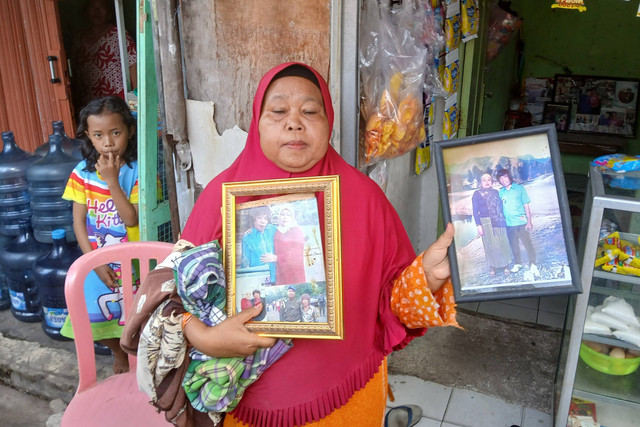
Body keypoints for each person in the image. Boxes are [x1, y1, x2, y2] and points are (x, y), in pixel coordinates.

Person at [169, 62, 457, 426]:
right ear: (257, 121)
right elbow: (170, 298)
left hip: (349, 399)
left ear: (328, 121)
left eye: (309, 111)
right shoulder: (220, 198)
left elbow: (393, 303)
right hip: (249, 403)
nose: (294, 122)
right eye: (278, 111)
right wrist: (205, 337)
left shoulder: (364, 198)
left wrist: (426, 279)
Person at [61, 96, 139, 374]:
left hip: (134, 261)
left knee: (133, 311)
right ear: (88, 137)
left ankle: (136, 355)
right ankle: (117, 351)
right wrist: (93, 261)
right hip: (97, 260)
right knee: (94, 314)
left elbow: (132, 219)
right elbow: (78, 222)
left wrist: (111, 180)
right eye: (98, 135)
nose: (108, 142)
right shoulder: (81, 174)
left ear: (130, 130)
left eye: (115, 132)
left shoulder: (138, 171)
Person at [70, 0, 137, 111]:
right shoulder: (79, 38)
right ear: (86, 12)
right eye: (92, 7)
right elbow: (74, 71)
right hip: (89, 100)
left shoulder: (118, 33)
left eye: (102, 7)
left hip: (116, 99)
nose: (97, 11)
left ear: (109, 14)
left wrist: (135, 99)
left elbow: (133, 64)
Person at [496, 169, 539, 276]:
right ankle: (518, 263)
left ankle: (533, 263)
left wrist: (529, 222)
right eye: (501, 179)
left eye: (505, 177)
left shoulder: (520, 189)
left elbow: (526, 205)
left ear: (509, 177)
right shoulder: (501, 192)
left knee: (527, 243)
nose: (503, 180)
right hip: (509, 224)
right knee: (514, 245)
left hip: (521, 223)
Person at [471, 173, 512, 277]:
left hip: (498, 220)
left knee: (502, 242)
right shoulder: (477, 194)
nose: (487, 182)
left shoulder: (496, 192)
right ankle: (492, 267)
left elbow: (502, 207)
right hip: (485, 222)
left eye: (489, 180)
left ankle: (505, 264)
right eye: (484, 180)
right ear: (481, 183)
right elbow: (475, 211)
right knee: (490, 245)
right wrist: (478, 225)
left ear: (492, 182)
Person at [240, 206, 277, 283]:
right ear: (253, 219)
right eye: (259, 218)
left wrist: (276, 257)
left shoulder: (274, 230)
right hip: (258, 279)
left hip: (276, 277)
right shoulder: (247, 237)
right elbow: (245, 262)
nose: (263, 221)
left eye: (265, 219)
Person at [272, 206, 306, 285]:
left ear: (292, 218)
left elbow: (296, 253)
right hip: (281, 271)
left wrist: (277, 258)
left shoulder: (297, 231)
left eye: (288, 215)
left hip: (294, 271)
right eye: (282, 214)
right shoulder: (276, 231)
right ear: (279, 217)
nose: (285, 217)